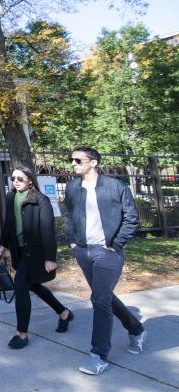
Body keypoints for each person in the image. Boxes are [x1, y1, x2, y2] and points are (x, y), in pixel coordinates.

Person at [65, 146, 146, 376]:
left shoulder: (115, 186)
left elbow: (132, 218)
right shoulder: (73, 187)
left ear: (93, 162)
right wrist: (72, 240)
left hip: (108, 252)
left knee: (99, 299)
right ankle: (136, 328)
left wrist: (116, 245)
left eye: (78, 160)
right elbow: (69, 215)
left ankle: (99, 355)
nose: (73, 164)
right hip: (83, 250)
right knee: (104, 297)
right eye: (72, 160)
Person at [0, 166, 73, 349]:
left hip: (36, 252)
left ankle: (21, 334)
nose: (15, 181)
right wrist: (3, 243)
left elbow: (47, 231)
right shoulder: (11, 197)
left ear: (30, 180)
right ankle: (63, 313)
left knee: (21, 286)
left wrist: (50, 258)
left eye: (20, 179)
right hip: (19, 251)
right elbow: (9, 223)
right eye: (13, 178)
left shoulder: (41, 200)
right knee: (33, 286)